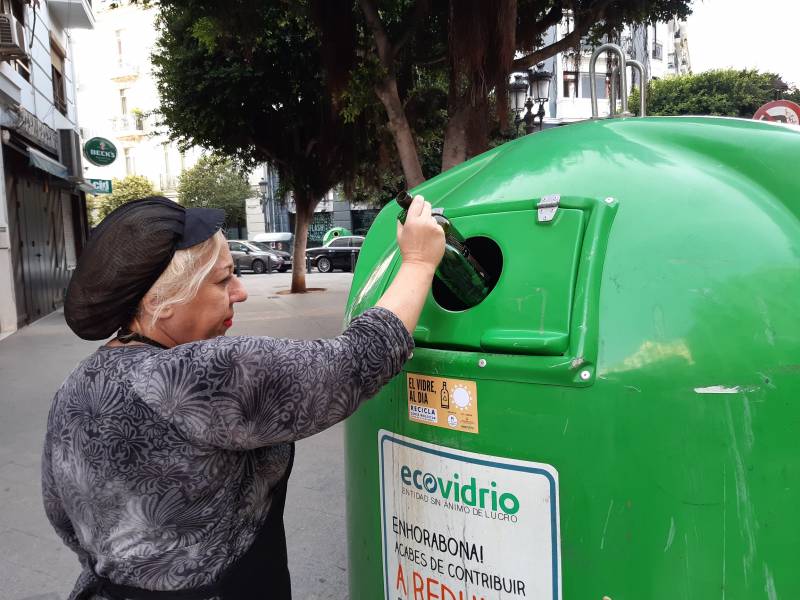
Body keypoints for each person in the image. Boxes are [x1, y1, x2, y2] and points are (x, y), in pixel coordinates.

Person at [42, 195, 444, 600]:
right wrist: (418, 262)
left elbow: (63, 516)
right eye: (222, 280)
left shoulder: (77, 383)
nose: (241, 292)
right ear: (157, 303)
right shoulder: (195, 375)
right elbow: (358, 359)